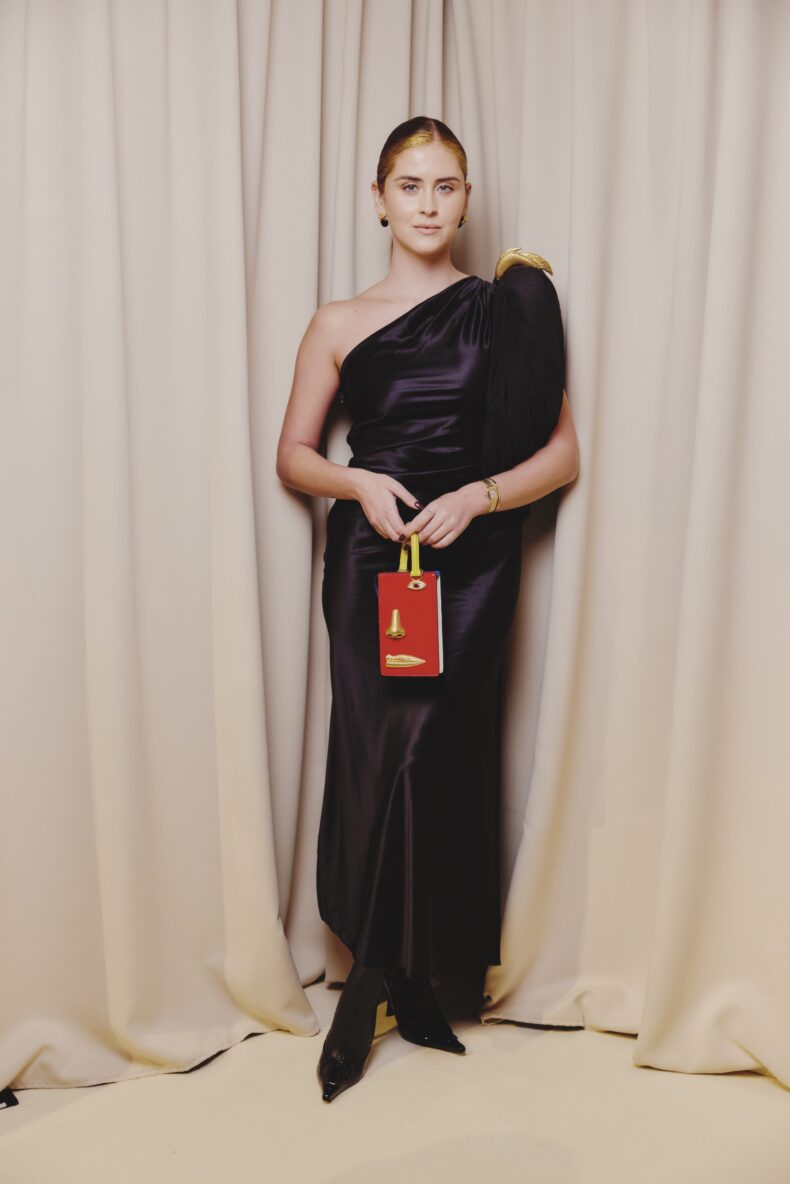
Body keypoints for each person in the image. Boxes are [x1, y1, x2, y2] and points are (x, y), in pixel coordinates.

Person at [276, 117, 579, 1102]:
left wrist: (480, 498)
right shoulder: (337, 321)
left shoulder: (501, 311)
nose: (427, 203)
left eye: (445, 186)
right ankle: (373, 979)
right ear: (379, 199)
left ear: (466, 199)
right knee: (383, 755)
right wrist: (358, 484)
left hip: (472, 557)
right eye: (409, 186)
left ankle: (407, 976)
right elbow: (292, 454)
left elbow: (562, 454)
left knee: (440, 757)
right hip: (375, 557)